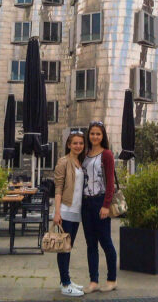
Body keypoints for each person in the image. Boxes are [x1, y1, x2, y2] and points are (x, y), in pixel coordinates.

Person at [82, 121, 117, 294]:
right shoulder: (85, 154)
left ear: (103, 136)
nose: (95, 136)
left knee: (106, 242)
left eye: (98, 134)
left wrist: (106, 205)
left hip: (100, 201)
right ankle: (93, 280)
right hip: (86, 203)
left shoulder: (107, 155)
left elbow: (110, 182)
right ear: (88, 135)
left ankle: (111, 279)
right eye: (92, 133)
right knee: (90, 244)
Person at [54, 131, 86, 297]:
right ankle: (65, 284)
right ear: (69, 144)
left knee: (69, 247)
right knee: (64, 248)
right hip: (66, 211)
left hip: (76, 211)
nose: (78, 146)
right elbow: (58, 188)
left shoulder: (80, 162)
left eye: (81, 143)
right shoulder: (63, 161)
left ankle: (65, 279)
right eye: (75, 143)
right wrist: (57, 211)